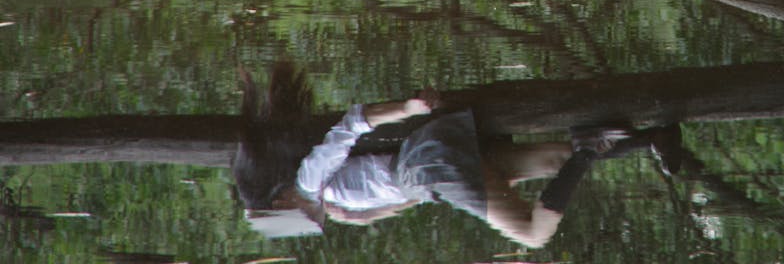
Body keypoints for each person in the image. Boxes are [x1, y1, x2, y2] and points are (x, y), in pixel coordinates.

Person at [234, 61, 678, 246]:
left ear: (280, 200)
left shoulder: (310, 181)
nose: (314, 219)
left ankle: (589, 146)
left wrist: (407, 108)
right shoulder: (330, 199)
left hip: (429, 166)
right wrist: (366, 215)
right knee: (552, 162)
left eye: (299, 215)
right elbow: (391, 196)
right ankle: (649, 140)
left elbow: (351, 125)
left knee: (532, 233)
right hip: (429, 174)